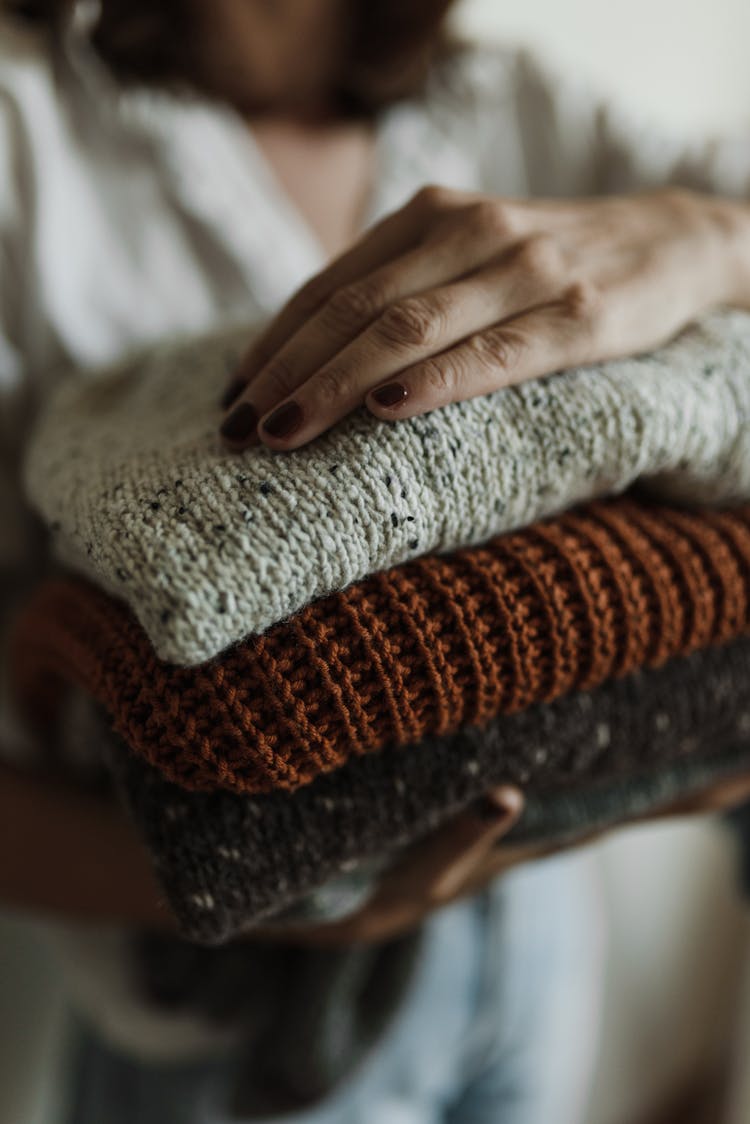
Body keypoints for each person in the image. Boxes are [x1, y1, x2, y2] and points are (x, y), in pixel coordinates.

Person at [0, 2, 749, 1122]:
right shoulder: (28, 136)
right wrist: (266, 884)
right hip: (224, 1039)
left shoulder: (515, 103)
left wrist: (713, 237)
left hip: (537, 931)